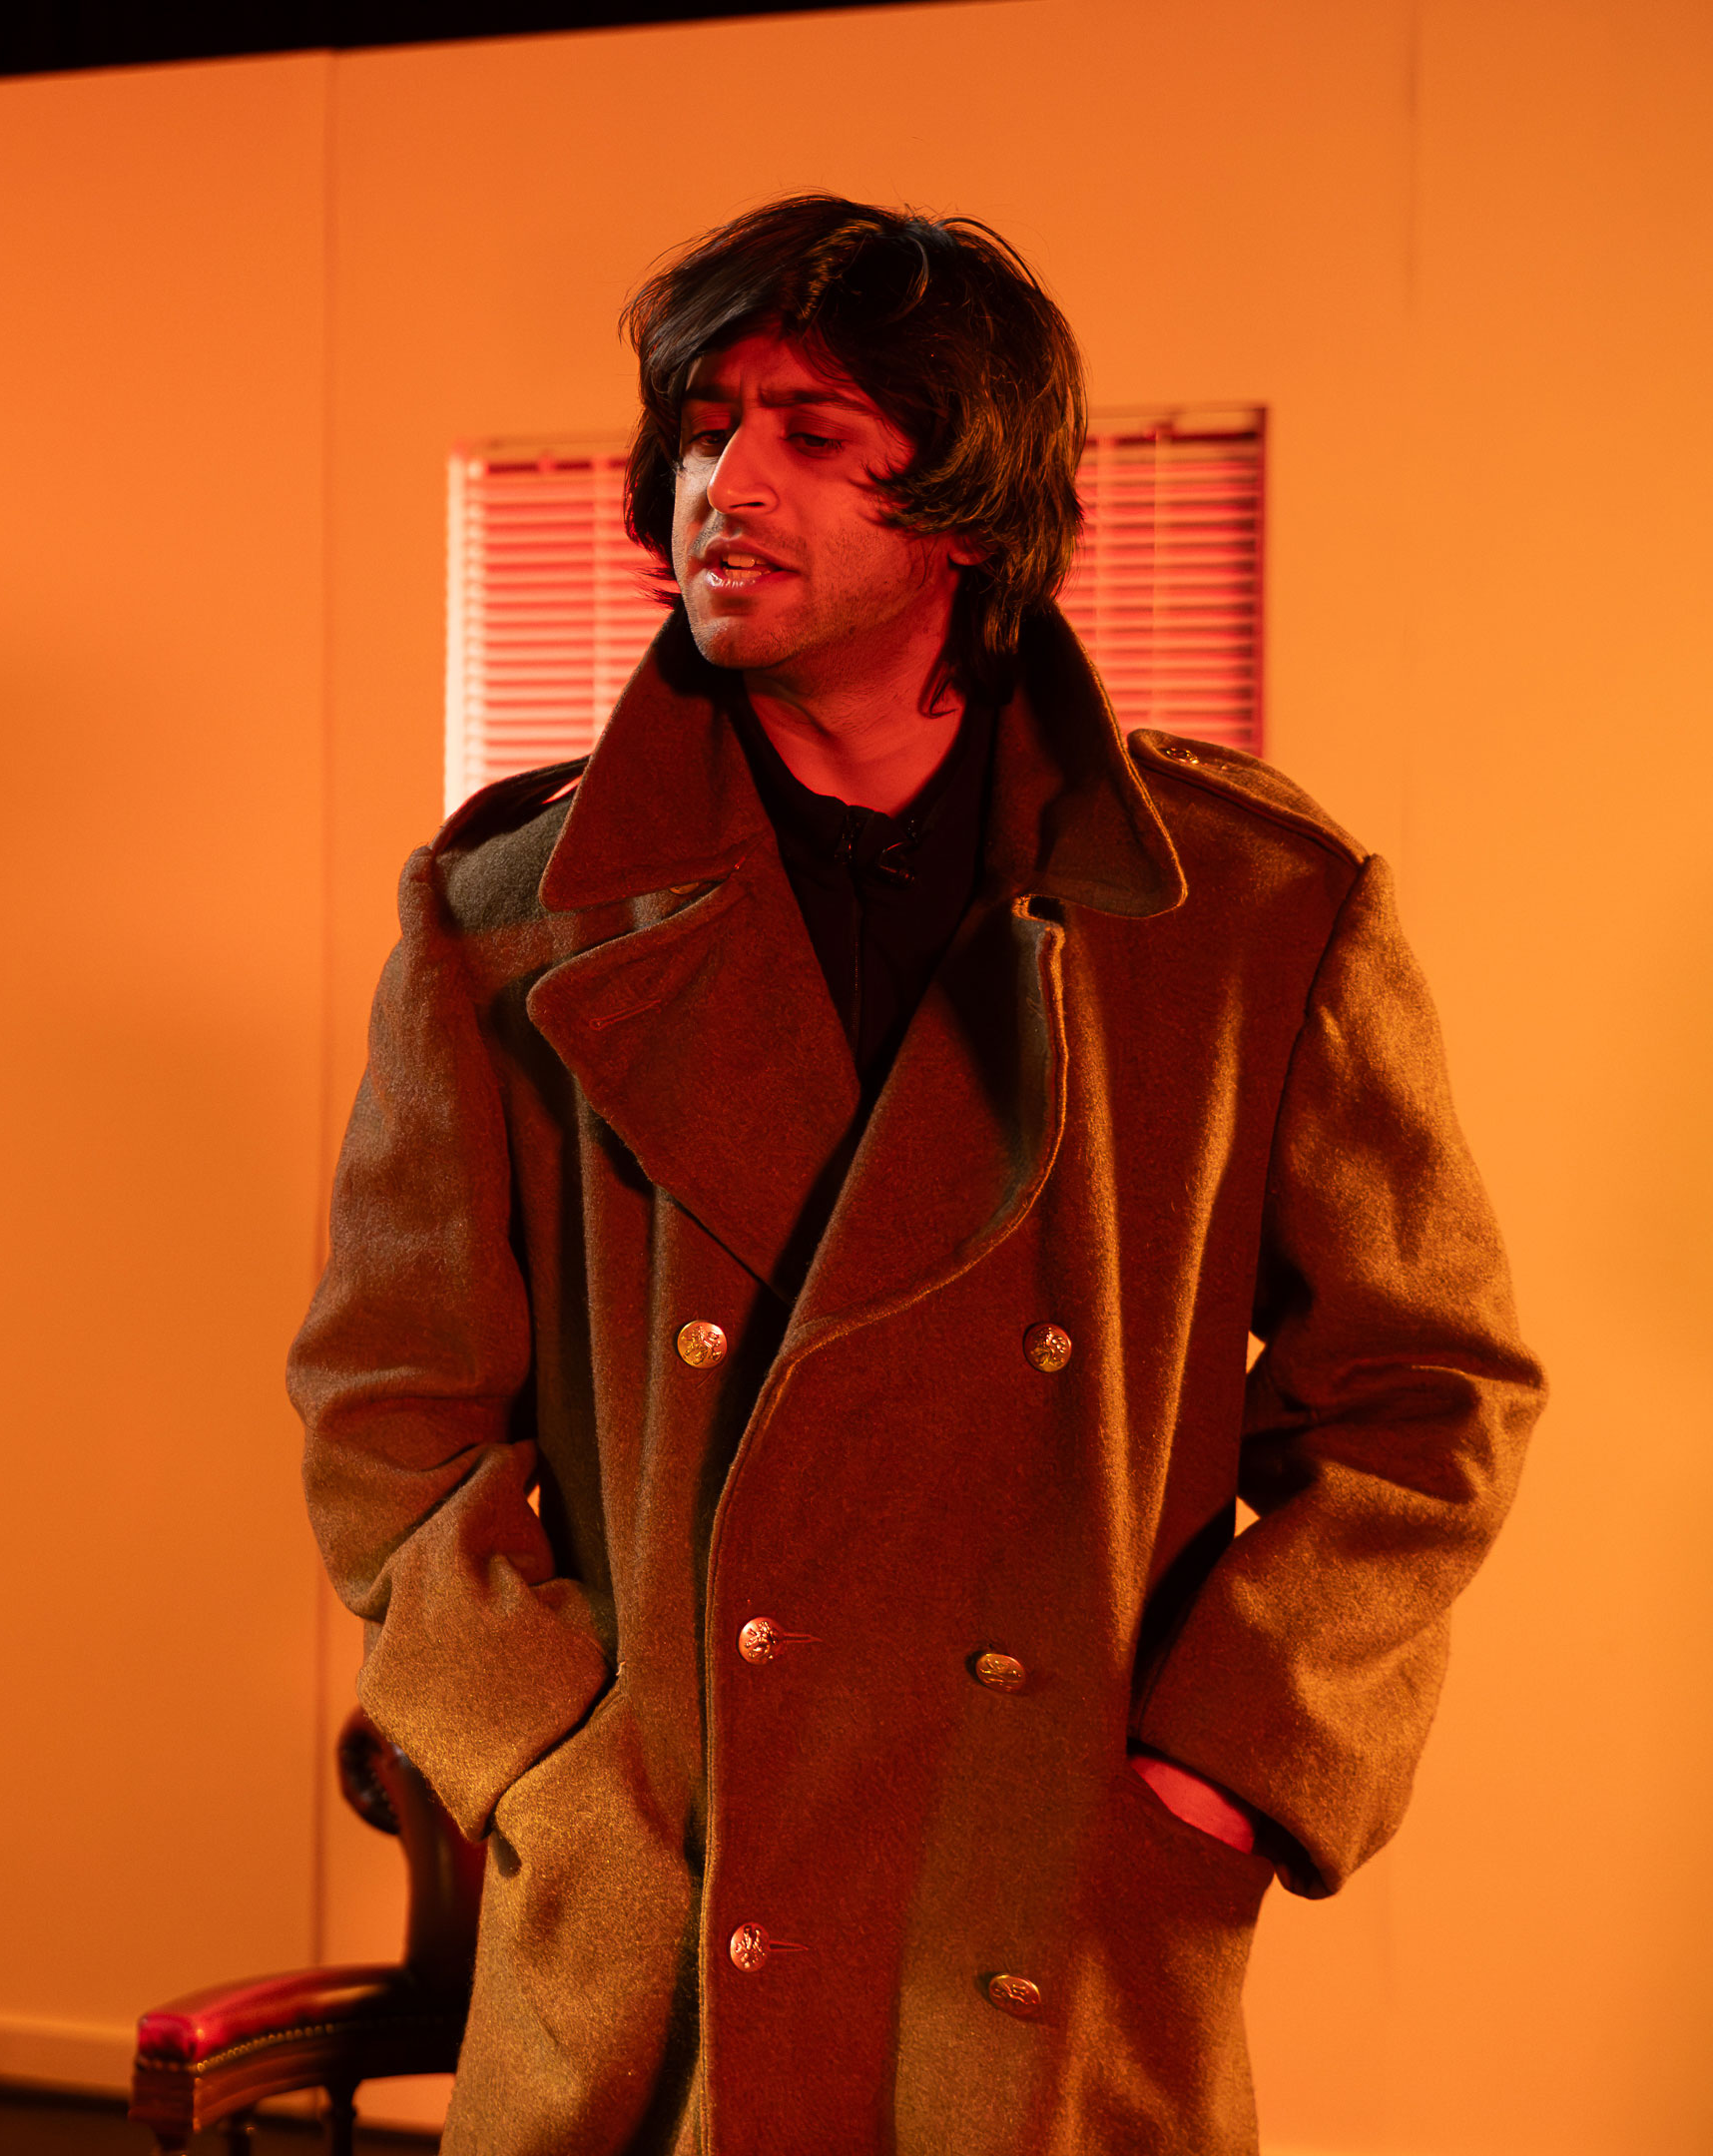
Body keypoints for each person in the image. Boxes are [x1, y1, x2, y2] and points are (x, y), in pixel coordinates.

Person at [291, 196, 1542, 2156]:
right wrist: (551, 1762)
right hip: (655, 1933)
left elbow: (1423, 1398)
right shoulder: (508, 919)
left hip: (1040, 1917)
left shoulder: (1240, 911)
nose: (726, 484)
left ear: (964, 505)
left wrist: (1228, 1766)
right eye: (704, 428)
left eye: (812, 432)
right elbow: (389, 1416)